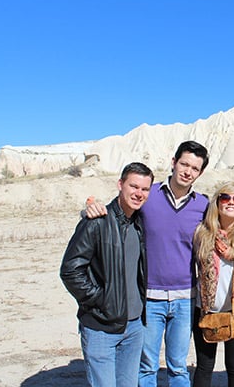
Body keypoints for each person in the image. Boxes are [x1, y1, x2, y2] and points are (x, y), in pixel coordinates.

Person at [85, 141, 210, 387]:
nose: (187, 171)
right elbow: (113, 212)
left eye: (194, 168)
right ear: (173, 163)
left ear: (200, 173)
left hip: (186, 298)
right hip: (149, 297)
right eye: (184, 164)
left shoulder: (203, 205)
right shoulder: (148, 195)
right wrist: (88, 208)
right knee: (147, 366)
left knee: (178, 367)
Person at [60, 162, 154, 387]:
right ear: (120, 185)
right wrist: (101, 300)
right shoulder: (97, 222)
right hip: (101, 328)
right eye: (134, 186)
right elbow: (70, 270)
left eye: (144, 189)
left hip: (133, 327)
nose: (138, 193)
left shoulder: (139, 223)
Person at [192, 182, 234, 387]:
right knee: (204, 365)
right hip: (205, 308)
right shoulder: (202, 233)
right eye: (226, 198)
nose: (232, 203)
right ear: (217, 202)